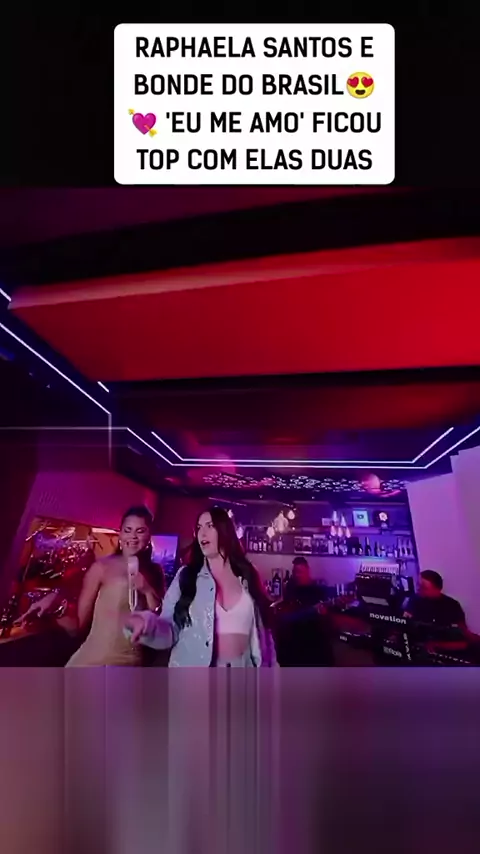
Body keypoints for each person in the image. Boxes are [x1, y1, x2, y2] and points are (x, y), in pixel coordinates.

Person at [124, 506, 277, 667]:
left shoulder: (248, 574)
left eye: (209, 526)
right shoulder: (186, 576)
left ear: (225, 530)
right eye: (199, 527)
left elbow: (265, 637)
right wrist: (147, 625)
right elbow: (169, 629)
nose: (202, 533)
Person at [64, 506, 165, 667]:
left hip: (133, 662)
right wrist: (56, 606)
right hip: (95, 661)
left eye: (140, 531)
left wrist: (147, 589)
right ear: (120, 534)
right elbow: (79, 624)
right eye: (128, 530)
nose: (133, 536)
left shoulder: (154, 571)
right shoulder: (102, 567)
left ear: (149, 536)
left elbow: (159, 620)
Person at [274, 557, 334, 666]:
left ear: (307, 571)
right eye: (294, 572)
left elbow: (326, 615)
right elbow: (287, 610)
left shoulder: (317, 590)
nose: (297, 575)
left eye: (300, 572)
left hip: (311, 637)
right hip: (294, 636)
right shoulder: (291, 588)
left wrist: (323, 613)